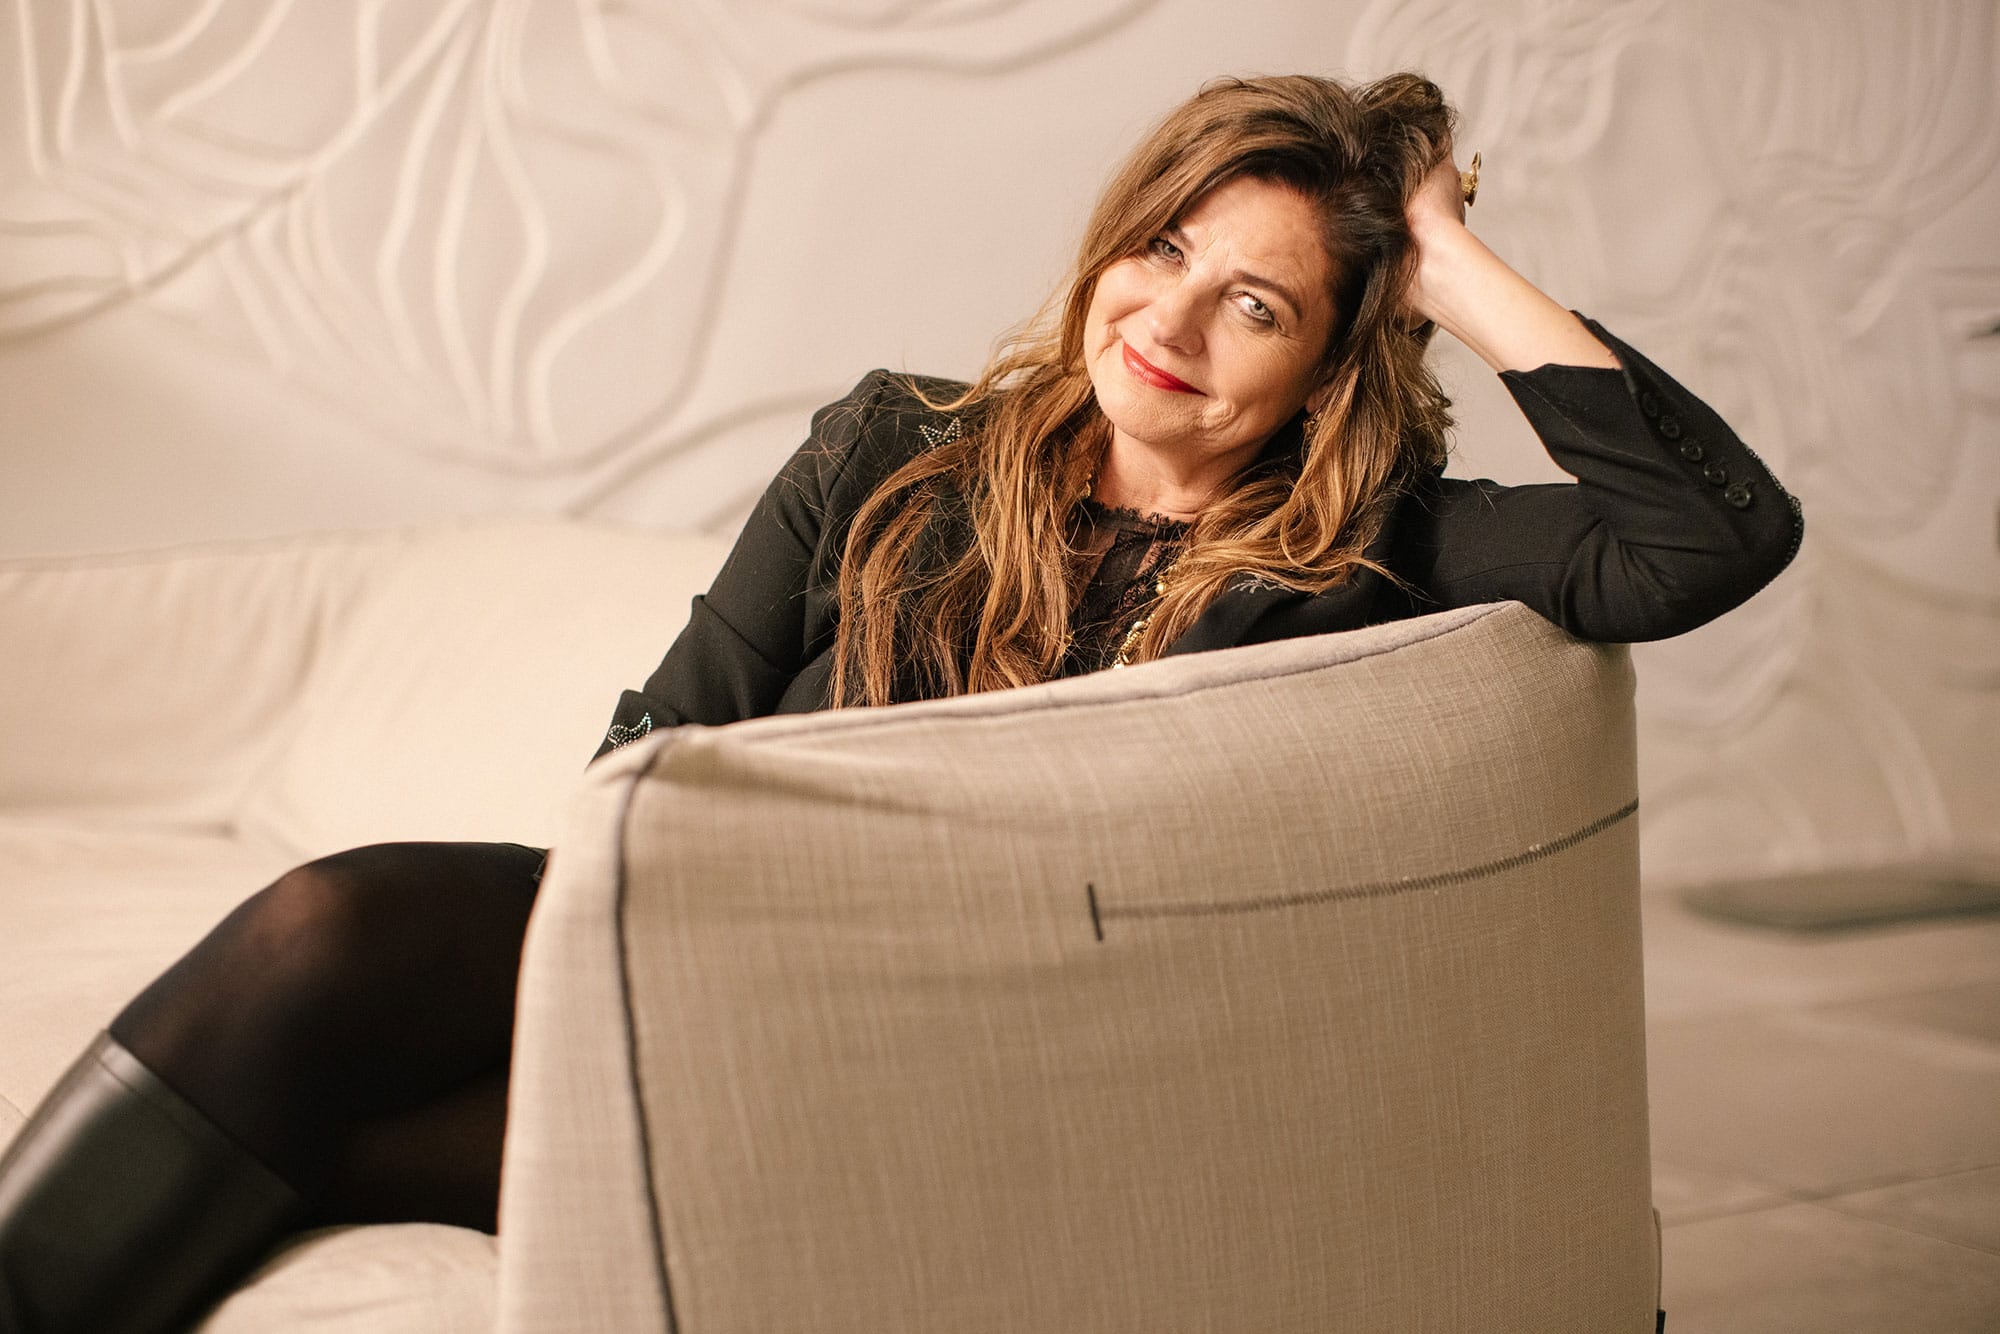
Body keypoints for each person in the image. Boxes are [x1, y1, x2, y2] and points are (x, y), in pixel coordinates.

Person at [0, 72, 1800, 1333]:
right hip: (735, 966)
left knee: (323, 1054)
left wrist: (1450, 265)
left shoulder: (1378, 545)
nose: (1168, 314)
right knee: (333, 953)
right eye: (1162, 246)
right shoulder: (894, 444)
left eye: (1255, 302)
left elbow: (1711, 539)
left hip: (979, 1074)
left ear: (1329, 367)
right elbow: (652, 752)